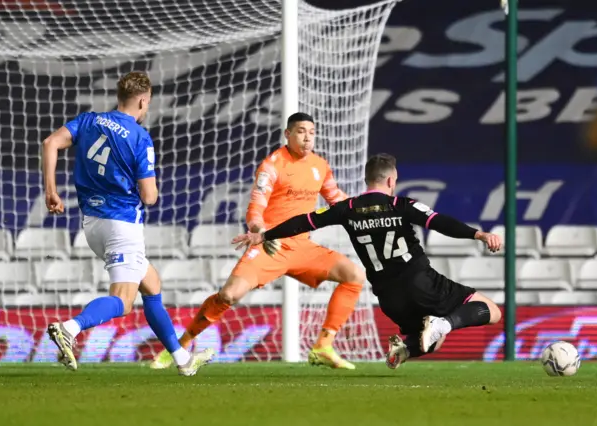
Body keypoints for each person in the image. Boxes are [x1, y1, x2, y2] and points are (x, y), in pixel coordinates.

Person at [232, 153, 502, 368]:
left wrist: (265, 235)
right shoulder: (402, 205)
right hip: (419, 282)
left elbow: (304, 221)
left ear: (367, 179)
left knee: (431, 340)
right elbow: (439, 222)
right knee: (490, 310)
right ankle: (442, 322)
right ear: (391, 180)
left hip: (388, 297)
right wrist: (477, 234)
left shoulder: (346, 209)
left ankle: (405, 348)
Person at [150, 112, 365, 370]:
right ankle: (181, 345)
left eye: (311, 132)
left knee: (353, 274)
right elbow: (255, 208)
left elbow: (336, 199)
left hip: (303, 247)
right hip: (271, 246)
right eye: (300, 131)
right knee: (229, 295)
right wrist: (260, 228)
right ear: (288, 134)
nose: (307, 137)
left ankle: (323, 346)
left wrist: (364, 209)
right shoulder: (272, 165)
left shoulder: (320, 165)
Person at [42, 71, 213, 375]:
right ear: (142, 100)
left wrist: (52, 191)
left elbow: (50, 143)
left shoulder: (89, 120)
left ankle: (182, 359)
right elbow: (149, 196)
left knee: (152, 284)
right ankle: (69, 328)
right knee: (123, 300)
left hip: (92, 223)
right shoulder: (139, 137)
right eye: (148, 104)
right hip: (122, 225)